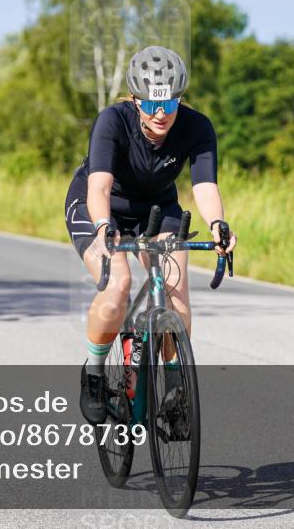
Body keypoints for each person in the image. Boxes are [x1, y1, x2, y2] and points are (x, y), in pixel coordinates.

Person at [64, 46, 237, 424]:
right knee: (118, 287)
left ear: (180, 99)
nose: (161, 114)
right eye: (152, 104)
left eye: (170, 105)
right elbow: (99, 189)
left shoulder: (197, 126)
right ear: (136, 98)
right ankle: (93, 375)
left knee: (175, 290)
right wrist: (104, 228)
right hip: (99, 207)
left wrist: (218, 225)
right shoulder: (112, 121)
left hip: (157, 208)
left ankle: (175, 394)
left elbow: (205, 186)